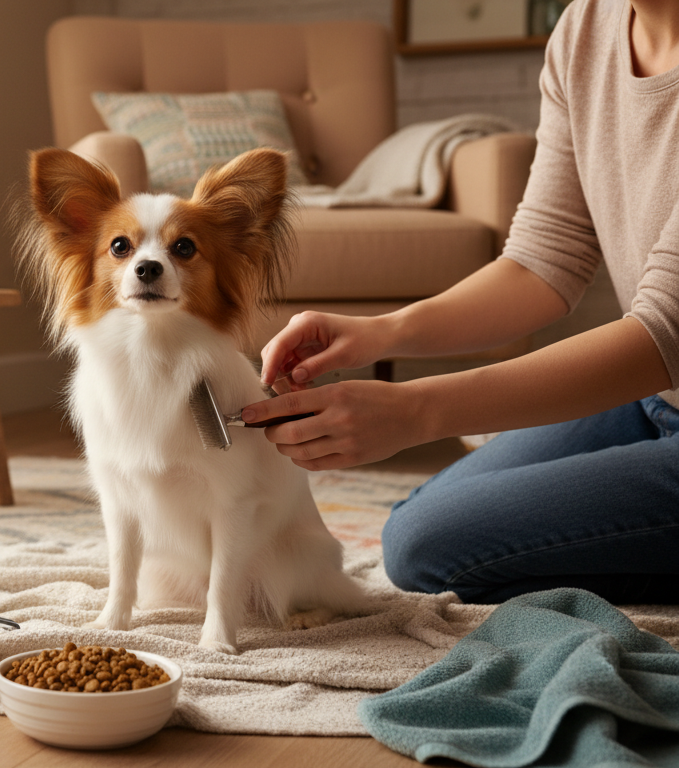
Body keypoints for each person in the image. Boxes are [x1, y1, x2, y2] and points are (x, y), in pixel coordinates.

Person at [242, 0, 679, 605]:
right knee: (420, 534)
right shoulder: (586, 28)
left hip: (659, 376)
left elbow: (664, 333)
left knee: (434, 548)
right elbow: (541, 262)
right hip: (655, 405)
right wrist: (382, 332)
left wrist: (415, 410)